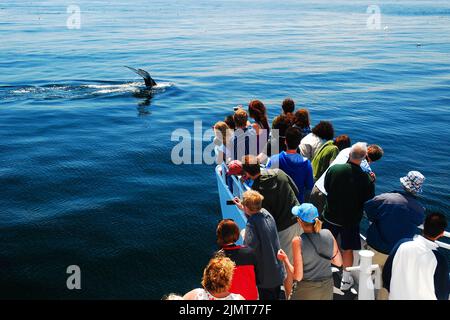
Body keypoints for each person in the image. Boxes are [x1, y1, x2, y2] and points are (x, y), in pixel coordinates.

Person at [364, 171, 426, 299]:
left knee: (367, 275)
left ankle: (364, 296)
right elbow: (419, 222)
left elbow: (368, 207)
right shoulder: (420, 209)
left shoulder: (385, 198)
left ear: (404, 184)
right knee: (388, 282)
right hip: (398, 253)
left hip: (376, 246)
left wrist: (374, 218)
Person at [322, 142, 375, 291]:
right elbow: (368, 199)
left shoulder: (334, 169)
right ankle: (345, 280)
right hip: (351, 220)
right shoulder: (366, 179)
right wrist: (372, 181)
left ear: (350, 154)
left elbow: (327, 188)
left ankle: (323, 272)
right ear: (364, 157)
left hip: (330, 215)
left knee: (326, 245)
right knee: (347, 249)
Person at [241, 155, 301, 265]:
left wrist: (244, 208)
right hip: (299, 219)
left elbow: (261, 217)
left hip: (283, 229)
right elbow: (296, 191)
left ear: (247, 173)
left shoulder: (256, 192)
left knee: (286, 264)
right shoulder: (279, 173)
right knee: (299, 256)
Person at [278, 203, 342, 300]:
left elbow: (297, 276)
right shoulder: (328, 234)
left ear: (299, 221)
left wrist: (285, 259)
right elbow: (338, 262)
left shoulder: (297, 241)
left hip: (306, 291)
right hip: (326, 289)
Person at [383, 212, 449, 300]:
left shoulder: (402, 243)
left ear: (424, 225)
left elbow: (387, 272)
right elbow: (442, 293)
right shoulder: (440, 260)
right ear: (441, 234)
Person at [233, 190, 286, 300]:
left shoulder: (251, 224)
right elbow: (255, 213)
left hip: (265, 277)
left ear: (247, 208)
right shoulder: (267, 214)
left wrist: (243, 235)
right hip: (277, 270)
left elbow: (249, 249)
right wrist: (243, 208)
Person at [311, 143, 383, 214]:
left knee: (307, 218)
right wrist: (373, 179)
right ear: (374, 160)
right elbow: (367, 185)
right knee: (319, 222)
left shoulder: (347, 150)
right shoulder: (365, 169)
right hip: (328, 197)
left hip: (318, 187)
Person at [266, 127, 314, 203]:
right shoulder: (307, 164)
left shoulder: (275, 159)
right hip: (296, 203)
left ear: (285, 141)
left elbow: (267, 181)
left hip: (278, 203)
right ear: (299, 143)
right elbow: (309, 186)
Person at [216, 219, 259, 300]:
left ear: (219, 236)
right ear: (237, 233)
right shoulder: (250, 252)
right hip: (251, 297)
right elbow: (258, 277)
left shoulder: (217, 257)